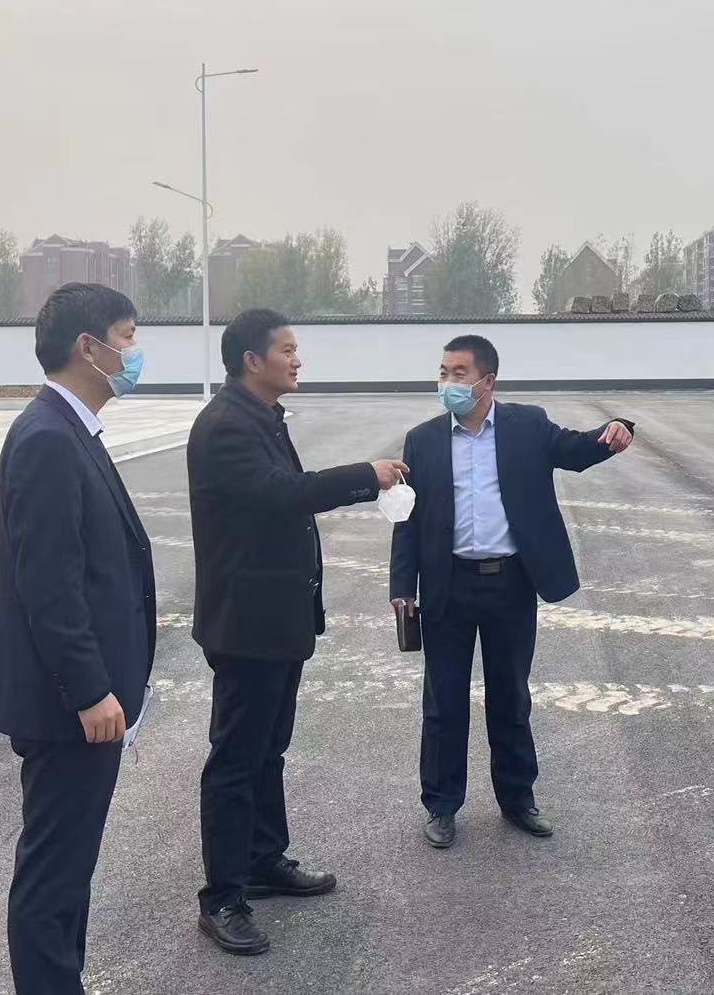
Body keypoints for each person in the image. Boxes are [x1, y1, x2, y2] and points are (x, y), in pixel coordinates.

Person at [187, 308, 408, 955]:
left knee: (268, 749)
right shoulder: (227, 426)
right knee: (236, 759)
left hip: (275, 619)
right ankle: (223, 897)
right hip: (246, 624)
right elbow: (283, 494)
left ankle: (263, 859)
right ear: (252, 360)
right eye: (287, 350)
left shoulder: (260, 416)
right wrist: (365, 476)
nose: (297, 360)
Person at [0, 283, 155, 995]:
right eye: (127, 337)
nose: (133, 353)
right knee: (53, 875)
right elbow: (48, 584)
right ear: (89, 346)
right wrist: (90, 690)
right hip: (69, 707)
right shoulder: (48, 437)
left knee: (68, 869)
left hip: (83, 702)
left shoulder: (70, 429)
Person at [390, 334, 634, 849]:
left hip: (510, 584)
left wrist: (616, 429)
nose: (448, 383)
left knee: (510, 697)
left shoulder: (527, 426)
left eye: (458, 374)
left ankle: (518, 799)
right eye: (443, 373)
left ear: (487, 381)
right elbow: (407, 519)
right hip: (448, 586)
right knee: (443, 702)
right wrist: (402, 586)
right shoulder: (423, 440)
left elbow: (576, 449)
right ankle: (441, 805)